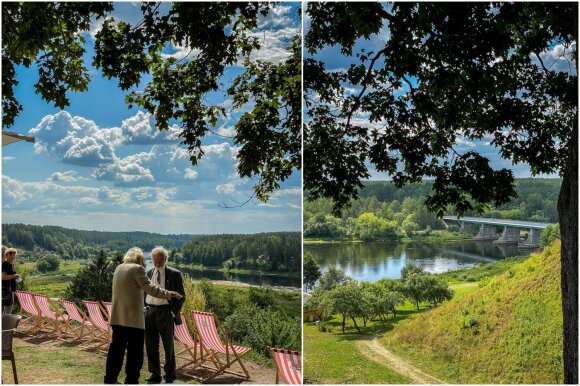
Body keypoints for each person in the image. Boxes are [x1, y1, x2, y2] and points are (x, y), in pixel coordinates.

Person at [104, 247, 182, 384]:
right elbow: (150, 289)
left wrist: (172, 311)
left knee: (116, 350)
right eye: (144, 260)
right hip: (135, 318)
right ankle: (133, 380)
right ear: (139, 259)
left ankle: (110, 379)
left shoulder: (118, 268)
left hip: (118, 318)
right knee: (135, 353)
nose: (144, 263)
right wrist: (169, 293)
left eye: (160, 259)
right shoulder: (138, 269)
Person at [144, 247, 186, 384]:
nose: (157, 263)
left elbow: (181, 297)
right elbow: (144, 292)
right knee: (150, 346)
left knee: (169, 347)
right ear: (152, 259)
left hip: (166, 313)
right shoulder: (148, 273)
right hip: (149, 312)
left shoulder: (174, 274)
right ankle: (155, 375)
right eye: (155, 260)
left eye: (160, 260)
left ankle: (169, 377)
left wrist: (173, 312)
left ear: (166, 259)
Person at [2, 248, 20, 315]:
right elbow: (3, 277)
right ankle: (6, 324)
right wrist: (14, 276)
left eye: (14, 254)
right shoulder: (5, 264)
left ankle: (5, 324)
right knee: (8, 310)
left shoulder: (10, 264)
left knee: (7, 310)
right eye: (10, 254)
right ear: (6, 255)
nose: (12, 255)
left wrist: (15, 277)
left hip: (10, 289)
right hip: (6, 290)